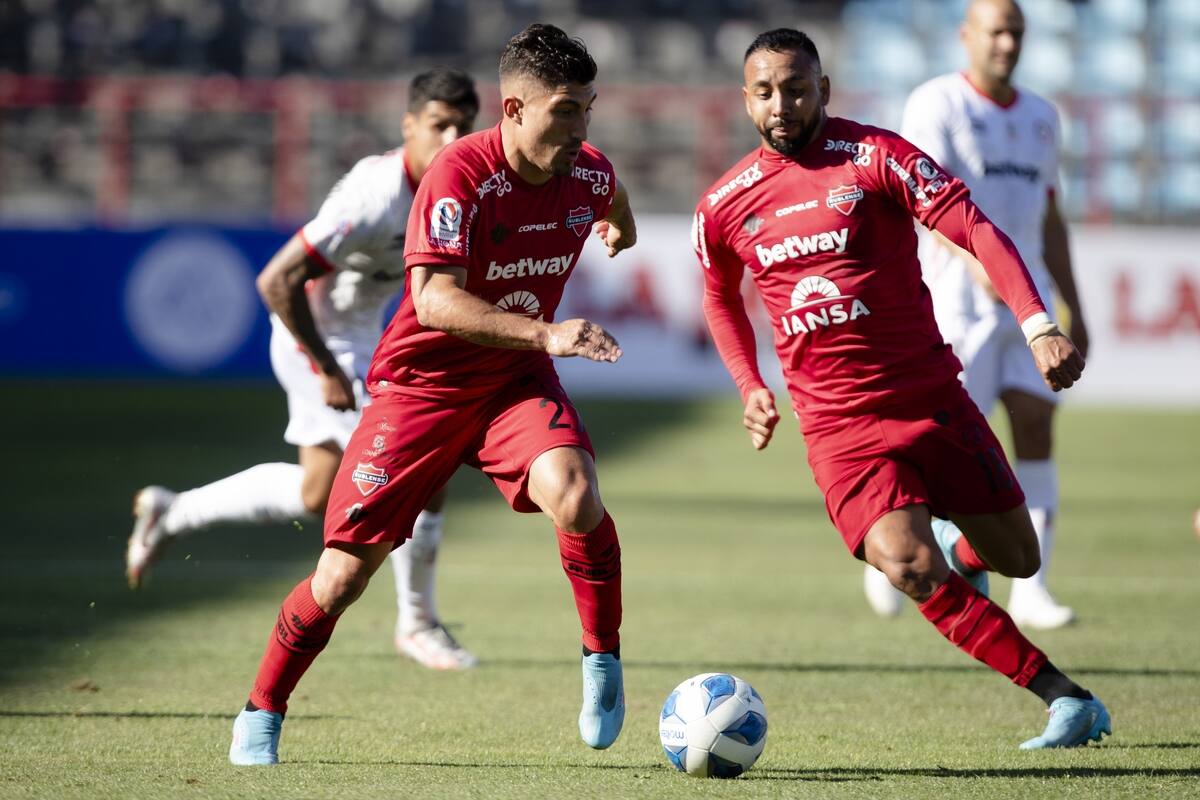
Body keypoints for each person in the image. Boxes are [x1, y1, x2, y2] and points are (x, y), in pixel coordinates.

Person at [227, 23, 637, 766]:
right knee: (343, 576)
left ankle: (602, 661)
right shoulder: (459, 174)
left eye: (588, 109)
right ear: (513, 109)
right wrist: (548, 334)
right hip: (423, 387)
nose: (581, 129)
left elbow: (614, 199)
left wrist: (619, 232)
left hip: (511, 381)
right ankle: (262, 708)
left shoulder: (589, 172)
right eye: (564, 111)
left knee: (577, 494)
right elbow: (435, 302)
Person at [695, 28, 1109, 749]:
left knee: (1019, 558)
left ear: (823, 89)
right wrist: (748, 383)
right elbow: (719, 296)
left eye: (796, 89)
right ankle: (1064, 698)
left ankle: (960, 546)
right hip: (838, 427)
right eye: (764, 92)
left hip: (929, 398)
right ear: (746, 100)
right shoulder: (724, 204)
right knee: (910, 565)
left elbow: (974, 228)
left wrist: (1039, 323)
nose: (781, 105)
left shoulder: (876, 156)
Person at [125, 68, 481, 671]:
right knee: (423, 465)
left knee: (317, 492)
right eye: (438, 124)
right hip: (315, 341)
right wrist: (326, 367)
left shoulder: (449, 187)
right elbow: (277, 279)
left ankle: (175, 510)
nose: (451, 138)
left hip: (358, 341)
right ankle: (417, 623)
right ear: (409, 125)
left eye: (462, 126)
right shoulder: (375, 197)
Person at [862, 0, 1087, 630]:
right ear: (967, 36)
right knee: (943, 444)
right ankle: (894, 544)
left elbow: (1051, 218)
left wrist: (1074, 305)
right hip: (957, 304)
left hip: (1029, 303)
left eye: (1016, 33)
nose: (1007, 44)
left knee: (1037, 427)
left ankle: (1033, 588)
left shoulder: (1043, 117)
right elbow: (923, 203)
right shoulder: (937, 103)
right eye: (996, 32)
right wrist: (978, 266)